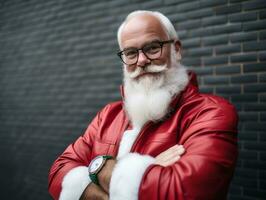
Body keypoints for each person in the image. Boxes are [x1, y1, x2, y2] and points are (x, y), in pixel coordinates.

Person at [48, 10, 238, 200]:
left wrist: (100, 172)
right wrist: (131, 168)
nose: (141, 61)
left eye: (153, 48)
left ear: (176, 50)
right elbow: (59, 171)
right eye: (130, 53)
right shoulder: (107, 115)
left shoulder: (211, 113)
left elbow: (186, 192)